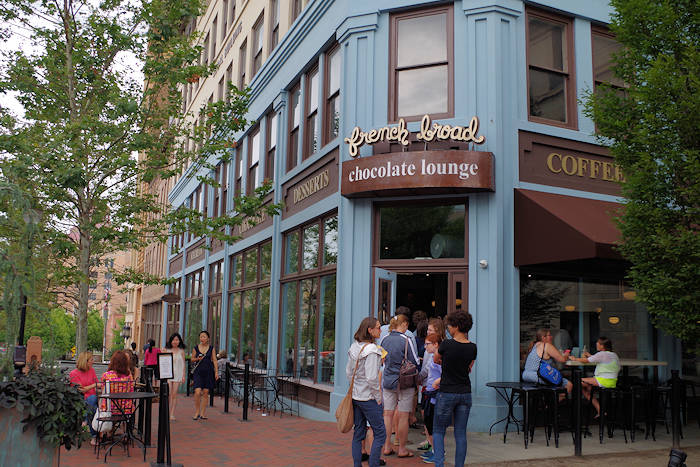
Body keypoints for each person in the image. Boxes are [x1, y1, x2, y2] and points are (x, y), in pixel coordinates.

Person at [432, 311, 477, 467]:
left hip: (447, 392)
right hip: (465, 393)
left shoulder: (447, 344)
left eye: (449, 325)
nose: (448, 328)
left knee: (438, 431)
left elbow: (435, 358)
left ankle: (439, 464)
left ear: (456, 327)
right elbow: (469, 367)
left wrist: (445, 364)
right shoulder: (472, 347)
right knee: (460, 433)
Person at [346, 317, 386, 467]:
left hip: (356, 396)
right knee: (380, 433)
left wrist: (355, 386)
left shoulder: (354, 347)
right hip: (368, 398)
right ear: (370, 330)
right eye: (378, 327)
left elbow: (348, 372)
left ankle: (358, 464)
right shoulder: (372, 350)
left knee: (358, 433)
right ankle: (374, 464)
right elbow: (372, 378)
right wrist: (378, 396)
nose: (380, 330)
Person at [380, 314, 418, 458]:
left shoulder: (384, 339)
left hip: (388, 380)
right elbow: (414, 361)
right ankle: (402, 449)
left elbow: (381, 359)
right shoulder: (406, 340)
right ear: (403, 325)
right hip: (404, 382)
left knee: (387, 414)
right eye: (406, 325)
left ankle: (387, 446)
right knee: (403, 416)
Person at [569, 336, 620, 418]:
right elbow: (599, 359)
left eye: (598, 343)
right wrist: (590, 355)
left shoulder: (602, 354)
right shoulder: (614, 354)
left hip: (603, 380)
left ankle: (575, 414)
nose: (596, 343)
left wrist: (574, 358)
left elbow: (586, 361)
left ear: (602, 346)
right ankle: (600, 411)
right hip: (612, 381)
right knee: (585, 387)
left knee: (576, 381)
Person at [522, 329, 573, 393]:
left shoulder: (534, 345)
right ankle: (554, 401)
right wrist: (566, 354)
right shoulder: (546, 346)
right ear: (543, 337)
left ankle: (549, 400)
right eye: (549, 335)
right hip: (537, 376)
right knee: (569, 385)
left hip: (526, 375)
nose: (552, 337)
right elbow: (562, 359)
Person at [418, 333, 443, 463]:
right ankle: (434, 450)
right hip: (429, 392)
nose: (425, 346)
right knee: (429, 423)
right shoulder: (433, 357)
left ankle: (437, 452)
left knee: (433, 425)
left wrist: (437, 382)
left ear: (436, 344)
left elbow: (446, 374)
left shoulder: (439, 359)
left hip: (434, 395)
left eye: (428, 344)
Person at [69, 351, 99, 445]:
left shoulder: (92, 371)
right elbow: (81, 390)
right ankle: (94, 436)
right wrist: (94, 385)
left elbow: (97, 385)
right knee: (93, 406)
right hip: (80, 400)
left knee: (92, 401)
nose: (93, 362)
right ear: (85, 361)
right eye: (91, 360)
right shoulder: (74, 373)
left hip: (92, 399)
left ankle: (86, 419)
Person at [191, 330, 218, 420]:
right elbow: (192, 359)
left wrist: (216, 372)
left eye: (204, 337)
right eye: (201, 336)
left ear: (208, 339)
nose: (202, 338)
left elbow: (214, 360)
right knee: (197, 391)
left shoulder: (211, 348)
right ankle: (197, 411)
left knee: (206, 392)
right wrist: (197, 358)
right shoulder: (196, 348)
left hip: (209, 372)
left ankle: (202, 413)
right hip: (198, 372)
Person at [100, 350, 135, 417]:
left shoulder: (106, 375)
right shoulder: (128, 376)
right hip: (126, 409)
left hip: (110, 408)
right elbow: (131, 390)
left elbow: (103, 392)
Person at [165, 332, 186, 420]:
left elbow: (183, 364)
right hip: (168, 375)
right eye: (173, 340)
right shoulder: (167, 350)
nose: (175, 341)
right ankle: (166, 412)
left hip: (178, 374)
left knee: (174, 394)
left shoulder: (181, 351)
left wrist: (183, 375)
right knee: (168, 393)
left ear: (179, 341)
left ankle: (172, 413)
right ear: (171, 341)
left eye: (177, 340)